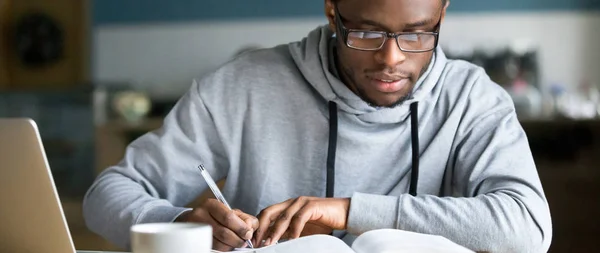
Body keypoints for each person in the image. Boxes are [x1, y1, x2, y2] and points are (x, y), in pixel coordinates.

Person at [83, 0, 553, 252]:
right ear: (332, 11)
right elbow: (110, 192)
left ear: (442, 13)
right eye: (366, 32)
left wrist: (348, 210)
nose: (391, 59)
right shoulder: (241, 86)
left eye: (416, 34)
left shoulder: (472, 99)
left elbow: (528, 227)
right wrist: (180, 224)